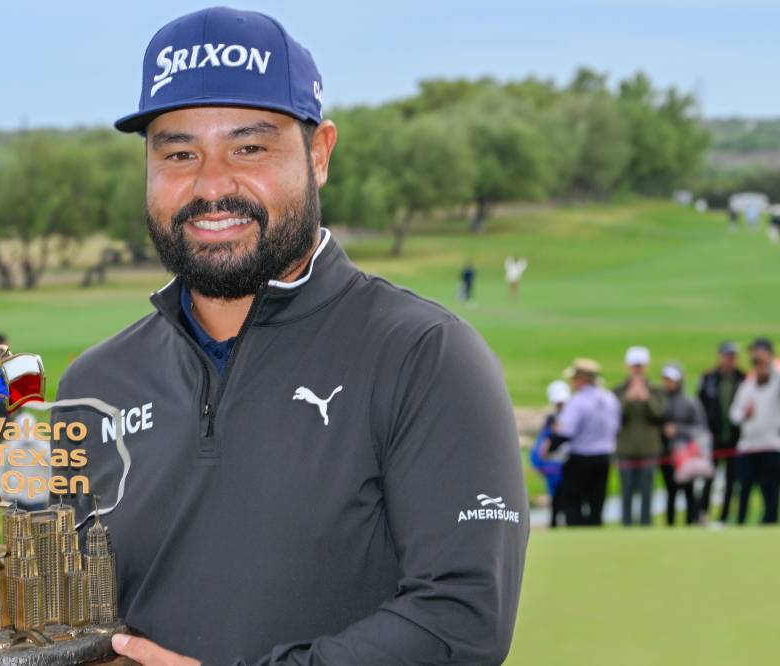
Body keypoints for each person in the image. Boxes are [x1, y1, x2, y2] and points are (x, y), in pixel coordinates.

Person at [51, 9, 528, 663]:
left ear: (319, 154)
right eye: (179, 153)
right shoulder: (94, 385)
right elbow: (72, 618)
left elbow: (462, 620)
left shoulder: (423, 355)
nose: (211, 185)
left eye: (249, 148)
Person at [555, 358, 621, 526]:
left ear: (581, 379)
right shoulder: (610, 399)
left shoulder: (578, 401)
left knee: (572, 500)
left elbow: (566, 431)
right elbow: (616, 427)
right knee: (597, 501)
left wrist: (550, 444)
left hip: (581, 457)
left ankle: (577, 532)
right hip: (604, 456)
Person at [614, 346, 667, 527]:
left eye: (640, 366)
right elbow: (615, 417)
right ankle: (626, 524)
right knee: (626, 491)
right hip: (625, 449)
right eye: (634, 365)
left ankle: (646, 524)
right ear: (628, 366)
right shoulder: (619, 390)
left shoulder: (656, 391)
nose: (637, 369)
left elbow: (660, 414)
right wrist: (628, 399)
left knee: (647, 491)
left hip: (649, 449)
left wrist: (646, 399)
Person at [729, 338, 780, 524]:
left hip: (771, 446)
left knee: (770, 489)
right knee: (744, 488)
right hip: (748, 446)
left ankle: (769, 523)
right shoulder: (747, 385)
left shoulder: (776, 383)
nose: (759, 366)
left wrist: (770, 361)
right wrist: (744, 415)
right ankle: (741, 522)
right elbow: (734, 413)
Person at [696, 341, 746, 522]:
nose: (730, 359)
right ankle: (703, 513)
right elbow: (700, 404)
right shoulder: (709, 378)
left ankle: (724, 517)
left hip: (735, 438)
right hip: (713, 437)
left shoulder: (742, 378)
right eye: (727, 355)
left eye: (733, 356)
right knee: (708, 476)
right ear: (720, 356)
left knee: (731, 480)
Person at [661, 363, 708, 526]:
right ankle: (670, 524)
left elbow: (700, 428)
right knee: (670, 491)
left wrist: (678, 429)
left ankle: (691, 522)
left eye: (671, 380)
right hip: (666, 454)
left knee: (688, 490)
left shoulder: (690, 402)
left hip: (686, 454)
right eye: (666, 379)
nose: (668, 383)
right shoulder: (660, 401)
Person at [531, 380, 570, 527]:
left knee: (566, 500)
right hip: (555, 467)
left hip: (566, 466)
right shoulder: (551, 420)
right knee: (557, 499)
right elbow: (542, 448)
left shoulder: (569, 417)